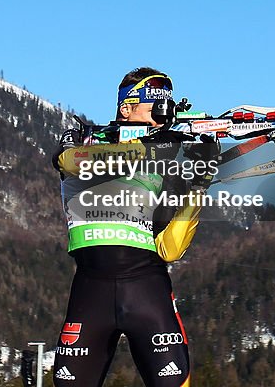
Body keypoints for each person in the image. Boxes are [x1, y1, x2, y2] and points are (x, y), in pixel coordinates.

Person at [52, 68, 212, 387]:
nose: (162, 117)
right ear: (126, 109)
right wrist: (145, 149)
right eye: (155, 107)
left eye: (167, 109)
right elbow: (70, 162)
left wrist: (199, 184)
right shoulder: (86, 139)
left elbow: (171, 248)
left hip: (147, 290)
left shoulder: (162, 165)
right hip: (90, 292)